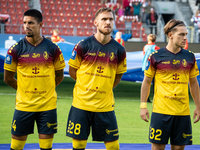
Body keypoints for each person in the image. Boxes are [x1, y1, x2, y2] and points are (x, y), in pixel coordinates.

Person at [4, 9, 66, 150]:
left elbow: (60, 75)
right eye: (25, 23)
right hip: (23, 106)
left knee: (46, 147)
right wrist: (24, 90)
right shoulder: (15, 49)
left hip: (47, 106)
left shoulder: (53, 49)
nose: (27, 26)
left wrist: (47, 88)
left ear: (40, 24)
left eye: (31, 23)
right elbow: (8, 78)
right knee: (16, 147)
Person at [66, 7, 127, 150]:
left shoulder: (119, 50)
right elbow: (72, 70)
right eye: (104, 19)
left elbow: (118, 75)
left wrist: (106, 87)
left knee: (113, 146)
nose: (108, 22)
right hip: (81, 104)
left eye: (111, 19)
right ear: (96, 23)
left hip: (105, 105)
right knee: (79, 144)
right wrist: (85, 85)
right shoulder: (83, 45)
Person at [140, 19, 200, 150]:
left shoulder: (190, 57)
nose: (185, 38)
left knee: (178, 148)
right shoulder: (156, 56)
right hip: (160, 112)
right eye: (181, 34)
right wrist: (143, 105)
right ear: (170, 35)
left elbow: (194, 83)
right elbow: (146, 81)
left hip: (182, 112)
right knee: (158, 148)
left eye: (186, 34)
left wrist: (198, 107)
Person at [142, 34, 160, 103]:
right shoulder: (156, 48)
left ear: (148, 39)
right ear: (155, 40)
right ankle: (156, 97)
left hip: (146, 66)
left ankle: (146, 98)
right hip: (154, 66)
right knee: (155, 83)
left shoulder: (145, 47)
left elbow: (144, 55)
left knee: (147, 82)